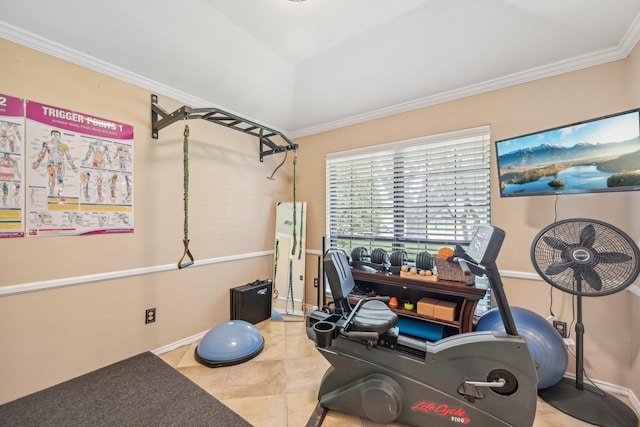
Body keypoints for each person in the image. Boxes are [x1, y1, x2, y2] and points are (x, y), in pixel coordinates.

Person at [32, 130, 78, 196]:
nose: (56, 136)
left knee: (60, 178)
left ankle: (60, 192)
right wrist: (38, 162)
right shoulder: (47, 144)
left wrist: (73, 166)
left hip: (60, 163)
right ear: (51, 135)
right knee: (51, 178)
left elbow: (68, 157)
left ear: (60, 136)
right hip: (51, 163)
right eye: (54, 134)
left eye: (57, 135)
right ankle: (52, 191)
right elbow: (42, 154)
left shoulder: (64, 146)